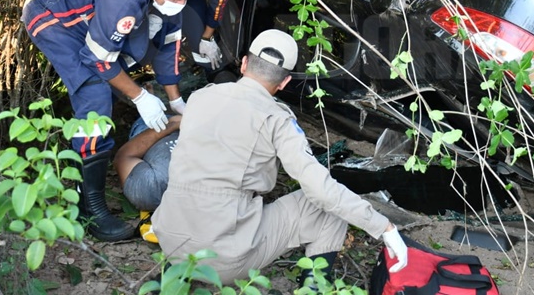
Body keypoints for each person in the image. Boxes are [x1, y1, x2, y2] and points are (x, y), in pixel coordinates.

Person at [152, 29, 409, 283]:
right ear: (284, 82)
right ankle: (314, 289)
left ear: (244, 64)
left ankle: (182, 283)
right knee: (326, 207)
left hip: (171, 243)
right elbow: (319, 189)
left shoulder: (200, 97)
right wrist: (383, 227)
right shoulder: (277, 119)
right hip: (223, 257)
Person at [21, 0, 204, 241]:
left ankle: (88, 161)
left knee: (127, 59)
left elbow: (169, 47)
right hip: (52, 15)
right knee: (94, 94)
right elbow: (98, 58)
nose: (180, 4)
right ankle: (88, 208)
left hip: (89, 14)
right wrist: (141, 97)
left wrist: (176, 101)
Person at [114, 114, 182, 243]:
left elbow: (123, 156)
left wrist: (172, 124)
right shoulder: (219, 183)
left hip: (153, 125)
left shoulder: (150, 190)